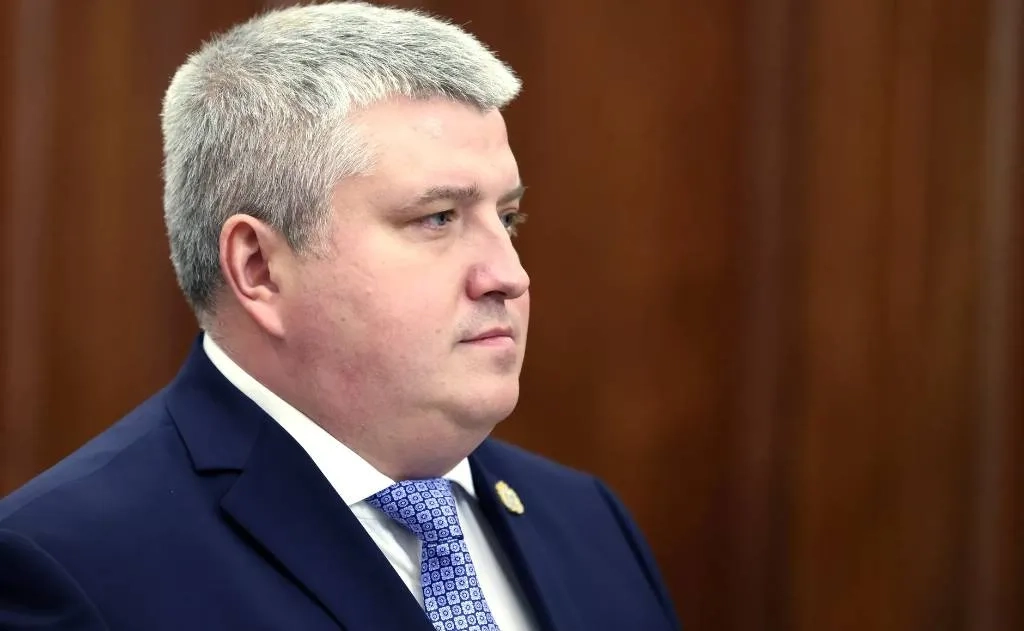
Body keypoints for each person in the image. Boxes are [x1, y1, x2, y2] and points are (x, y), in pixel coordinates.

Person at [0, 3, 681, 630]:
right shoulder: (70, 566)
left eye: (507, 219)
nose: (509, 275)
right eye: (437, 218)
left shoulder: (588, 521)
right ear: (259, 269)